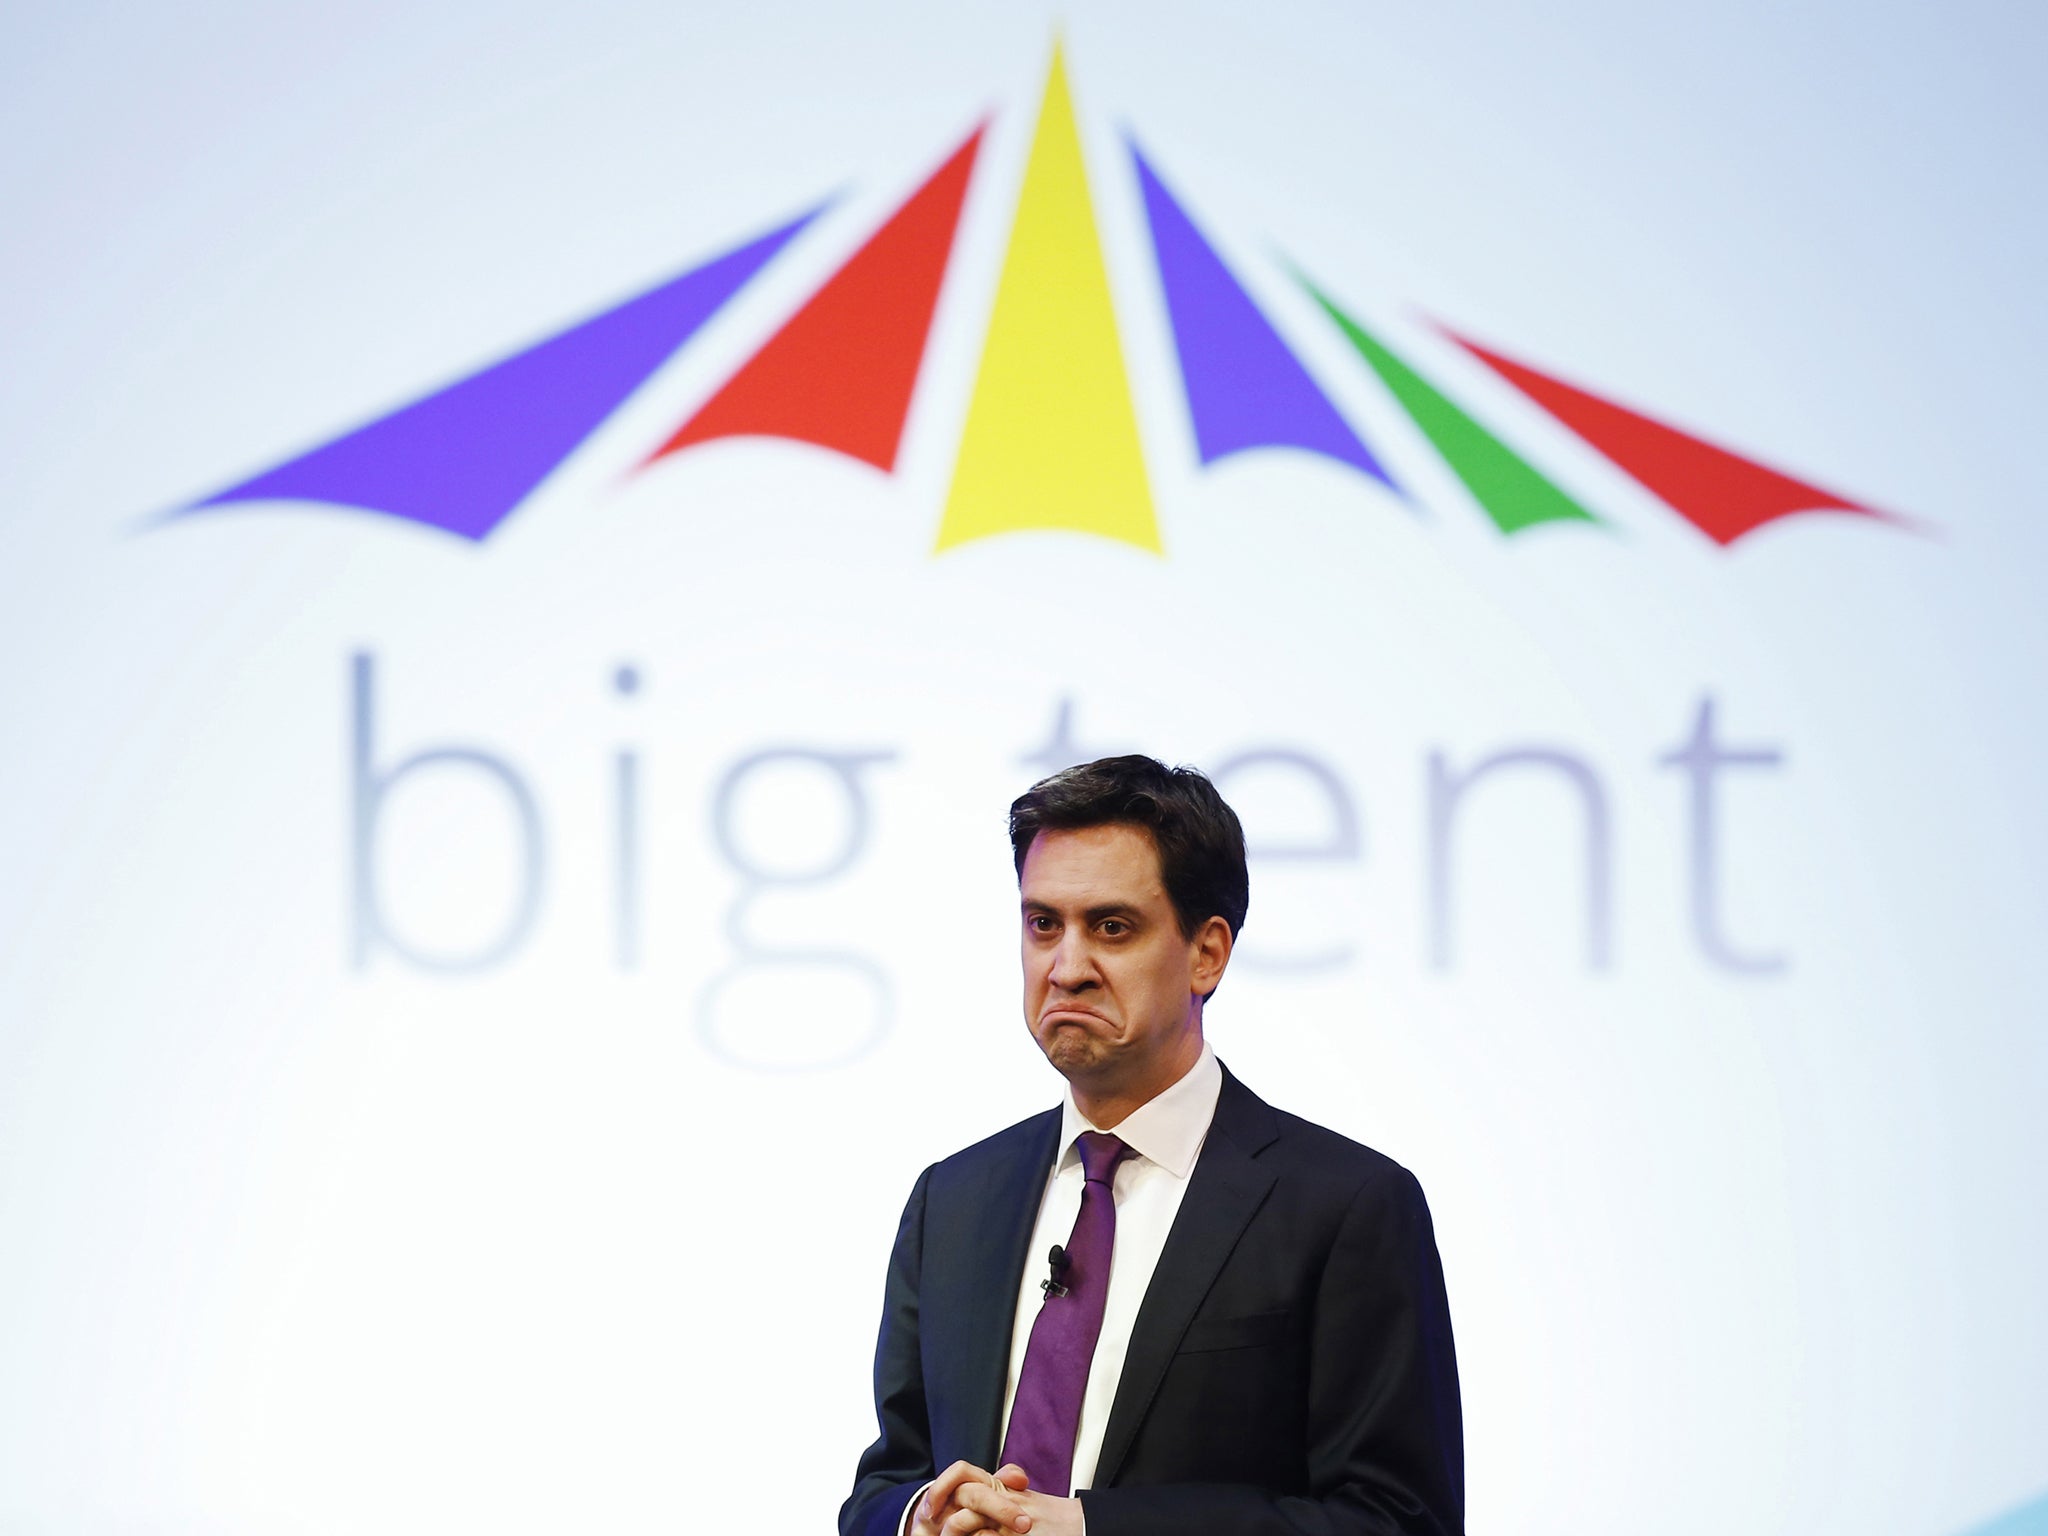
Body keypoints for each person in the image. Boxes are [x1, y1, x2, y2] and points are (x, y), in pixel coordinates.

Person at [841, 756, 1463, 1536]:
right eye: (1043, 925)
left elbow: (1397, 1521)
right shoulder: (955, 1200)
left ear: (1207, 953)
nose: (1066, 969)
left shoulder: (1346, 1209)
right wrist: (919, 1519)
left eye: (1111, 927)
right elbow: (888, 1479)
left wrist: (1090, 1529)